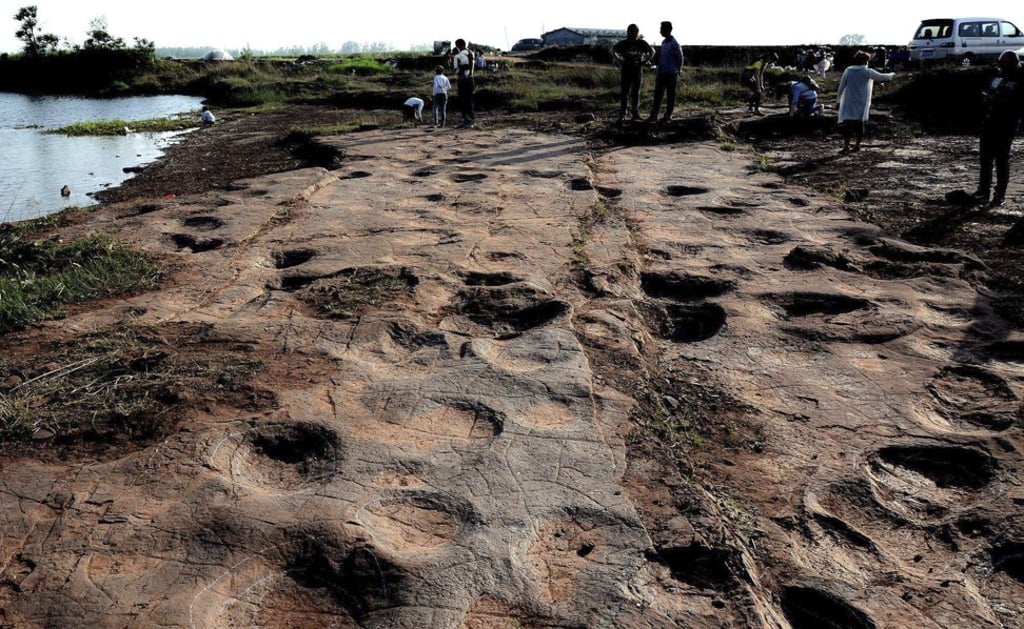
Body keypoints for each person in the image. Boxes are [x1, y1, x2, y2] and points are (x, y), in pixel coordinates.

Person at [973, 50, 1024, 208]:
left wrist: (1005, 100)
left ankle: (1000, 194)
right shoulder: (998, 76)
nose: (1003, 67)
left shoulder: (1021, 78)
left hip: (1007, 122)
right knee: (985, 157)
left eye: (1006, 64)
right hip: (991, 119)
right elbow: (990, 91)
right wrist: (987, 97)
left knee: (1002, 159)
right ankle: (983, 191)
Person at [836, 50, 894, 151]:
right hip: (861, 101)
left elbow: (841, 87)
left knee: (848, 125)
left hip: (849, 101)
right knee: (859, 123)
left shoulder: (848, 70)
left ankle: (846, 146)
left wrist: (838, 100)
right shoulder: (868, 71)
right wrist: (893, 74)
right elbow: (882, 77)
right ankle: (857, 145)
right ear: (866, 61)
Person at [610, 24, 654, 122]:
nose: (633, 33)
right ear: (628, 32)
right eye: (631, 31)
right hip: (626, 69)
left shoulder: (641, 43)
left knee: (636, 93)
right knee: (625, 93)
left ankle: (635, 113)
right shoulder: (624, 43)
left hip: (637, 69)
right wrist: (619, 60)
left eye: (635, 31)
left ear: (637, 32)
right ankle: (623, 114)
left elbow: (652, 51)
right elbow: (612, 50)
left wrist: (645, 61)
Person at [647, 21, 684, 124]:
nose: (660, 31)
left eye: (661, 29)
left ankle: (668, 115)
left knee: (670, 94)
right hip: (661, 72)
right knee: (658, 94)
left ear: (667, 30)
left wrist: (679, 69)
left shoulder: (674, 43)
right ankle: (654, 115)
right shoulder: (664, 42)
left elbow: (680, 57)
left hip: (671, 73)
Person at [741, 52, 778, 116]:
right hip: (746, 76)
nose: (771, 63)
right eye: (772, 60)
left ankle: (751, 108)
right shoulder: (759, 62)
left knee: (758, 92)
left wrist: (761, 85)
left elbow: (761, 75)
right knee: (758, 92)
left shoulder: (765, 63)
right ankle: (754, 110)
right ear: (769, 57)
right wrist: (758, 88)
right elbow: (757, 75)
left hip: (752, 76)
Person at [453, 38, 475, 128]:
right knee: (469, 101)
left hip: (462, 80)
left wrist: (460, 68)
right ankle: (471, 121)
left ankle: (466, 121)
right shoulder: (471, 53)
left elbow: (456, 70)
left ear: (458, 46)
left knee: (463, 101)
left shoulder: (457, 56)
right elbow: (471, 66)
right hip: (470, 79)